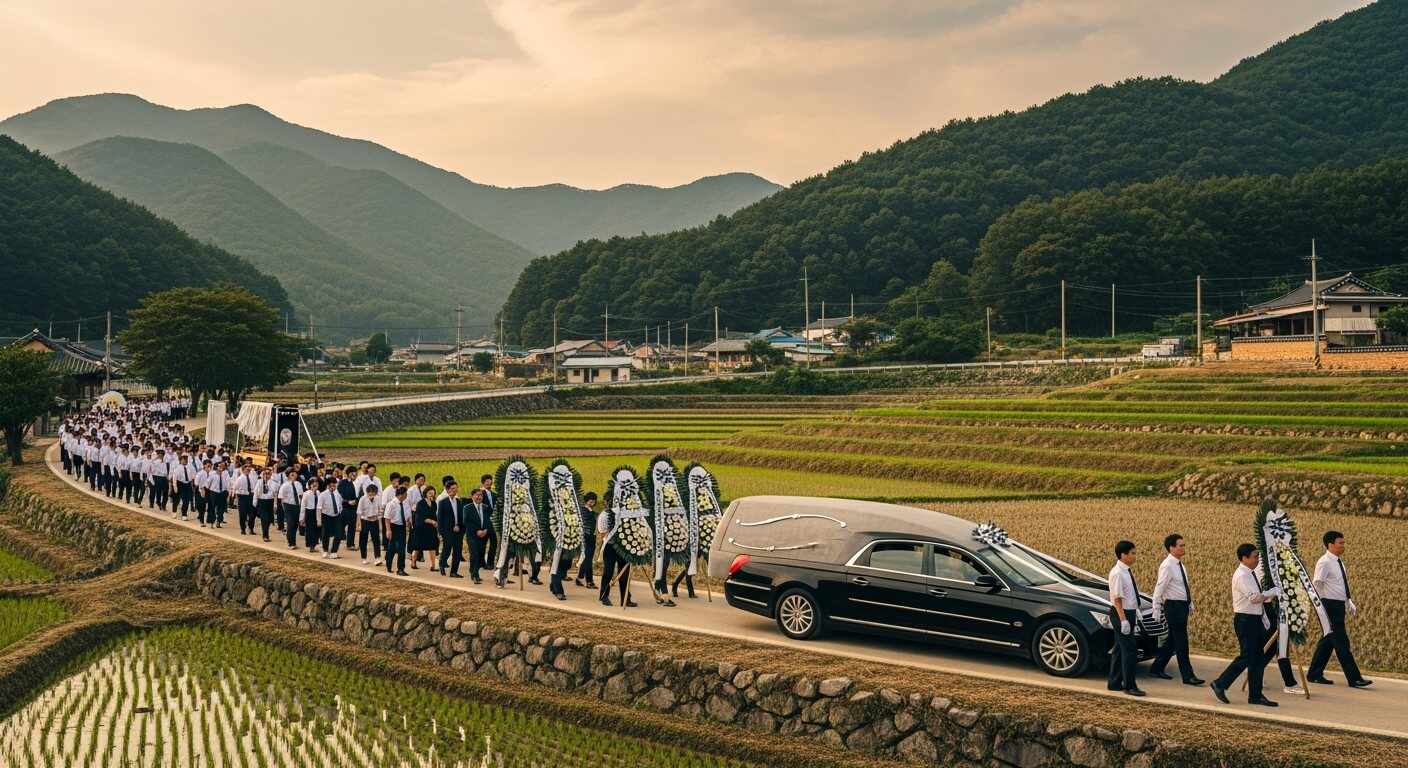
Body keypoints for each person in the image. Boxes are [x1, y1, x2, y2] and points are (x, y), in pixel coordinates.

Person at [1211, 544, 1281, 707]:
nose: (1257, 560)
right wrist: (1272, 592)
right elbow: (1254, 597)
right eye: (1255, 556)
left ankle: (1255, 695)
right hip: (1245, 620)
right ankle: (1220, 683)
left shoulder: (1250, 574)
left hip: (1254, 619)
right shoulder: (1242, 575)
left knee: (1257, 658)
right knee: (1247, 656)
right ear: (1244, 558)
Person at [1307, 530, 1371, 688]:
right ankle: (1354, 678)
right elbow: (1317, 584)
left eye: (1343, 543)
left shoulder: (1338, 562)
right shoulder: (1325, 562)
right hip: (1329, 605)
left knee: (1328, 640)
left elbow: (1341, 584)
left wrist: (1348, 600)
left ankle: (1314, 673)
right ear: (1330, 545)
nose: (1343, 546)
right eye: (1340, 543)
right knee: (1342, 642)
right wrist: (1322, 605)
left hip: (1338, 605)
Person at [1149, 533, 1203, 686]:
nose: (1183, 547)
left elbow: (1182, 586)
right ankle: (1188, 675)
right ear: (1171, 548)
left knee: (1173, 640)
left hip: (1181, 605)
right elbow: (1160, 587)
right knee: (1182, 641)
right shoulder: (1167, 565)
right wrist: (1156, 607)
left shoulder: (1180, 564)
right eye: (1181, 545)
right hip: (1173, 607)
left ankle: (1156, 668)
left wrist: (1189, 602)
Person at [1107, 540, 1145, 696]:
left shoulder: (1126, 570)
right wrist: (1123, 620)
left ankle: (1114, 682)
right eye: (1132, 553)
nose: (1135, 556)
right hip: (1121, 613)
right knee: (1130, 651)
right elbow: (1117, 599)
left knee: (1119, 650)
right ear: (1123, 555)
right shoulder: (1117, 573)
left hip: (1128, 612)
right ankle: (1129, 685)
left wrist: (1135, 610)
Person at [598, 503, 635, 608]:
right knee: (608, 573)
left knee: (624, 575)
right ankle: (604, 596)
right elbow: (602, 532)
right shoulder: (605, 515)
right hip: (610, 546)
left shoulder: (627, 513)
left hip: (624, 547)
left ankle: (625, 598)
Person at [437, 481, 466, 578]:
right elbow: (440, 519)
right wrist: (440, 532)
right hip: (447, 531)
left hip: (458, 531)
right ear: (448, 490)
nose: (454, 490)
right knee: (447, 549)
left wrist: (460, 528)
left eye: (456, 488)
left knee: (458, 551)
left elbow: (461, 516)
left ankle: (454, 571)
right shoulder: (443, 502)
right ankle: (442, 563)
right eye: (452, 488)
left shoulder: (459, 502)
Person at [465, 487, 491, 584]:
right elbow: (466, 522)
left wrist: (485, 530)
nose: (479, 497)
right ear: (472, 497)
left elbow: (488, 520)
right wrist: (477, 531)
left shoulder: (486, 507)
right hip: (472, 536)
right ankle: (474, 574)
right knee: (474, 554)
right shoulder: (467, 508)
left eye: (480, 495)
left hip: (483, 536)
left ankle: (474, 571)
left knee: (480, 555)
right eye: (477, 495)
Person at [382, 485, 410, 576]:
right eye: (405, 494)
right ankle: (388, 564)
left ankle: (401, 569)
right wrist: (388, 530)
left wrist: (407, 526)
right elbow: (387, 518)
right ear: (401, 495)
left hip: (402, 526)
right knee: (392, 548)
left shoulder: (405, 503)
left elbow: (407, 515)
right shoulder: (391, 504)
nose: (406, 496)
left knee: (402, 549)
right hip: (393, 526)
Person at [574, 492, 599, 589]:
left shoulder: (592, 512)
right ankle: (589, 581)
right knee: (588, 559)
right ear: (586, 501)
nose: (592, 503)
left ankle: (580, 578)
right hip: (585, 537)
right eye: (591, 501)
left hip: (592, 537)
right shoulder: (583, 511)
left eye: (594, 501)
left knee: (588, 558)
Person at [411, 486, 439, 571]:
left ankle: (434, 565)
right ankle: (413, 562)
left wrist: (436, 523)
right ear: (425, 494)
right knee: (417, 547)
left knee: (433, 546)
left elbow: (435, 515)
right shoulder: (420, 503)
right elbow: (422, 517)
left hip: (431, 529)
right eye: (430, 493)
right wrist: (432, 522)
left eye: (433, 493)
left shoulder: (434, 504)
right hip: (421, 528)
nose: (432, 495)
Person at [356, 484, 383, 565]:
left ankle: (377, 557)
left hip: (374, 521)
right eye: (369, 494)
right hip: (365, 520)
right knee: (363, 539)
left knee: (376, 540)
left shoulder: (378, 499)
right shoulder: (363, 499)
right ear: (367, 493)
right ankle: (364, 557)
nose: (371, 496)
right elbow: (359, 512)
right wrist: (358, 524)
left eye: (373, 494)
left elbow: (380, 510)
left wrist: (378, 516)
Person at [279, 469, 305, 550]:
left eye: (295, 474)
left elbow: (301, 495)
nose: (295, 475)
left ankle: (293, 541)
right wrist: (284, 509)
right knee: (290, 524)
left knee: (295, 525)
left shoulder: (298, 484)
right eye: (293, 474)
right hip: (288, 506)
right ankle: (290, 543)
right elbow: (282, 498)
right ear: (289, 475)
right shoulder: (285, 485)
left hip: (297, 506)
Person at [318, 478, 343, 558]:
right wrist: (319, 520)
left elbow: (340, 504)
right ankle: (325, 550)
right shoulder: (322, 495)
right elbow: (319, 508)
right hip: (326, 516)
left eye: (334, 486)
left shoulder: (337, 494)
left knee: (338, 534)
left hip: (336, 516)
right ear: (327, 486)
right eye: (331, 486)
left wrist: (340, 511)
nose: (333, 487)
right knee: (325, 534)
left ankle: (334, 551)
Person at [255, 467, 278, 542]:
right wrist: (255, 501)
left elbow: (275, 494)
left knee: (269, 519)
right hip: (262, 501)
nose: (267, 475)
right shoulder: (259, 482)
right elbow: (256, 492)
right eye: (265, 474)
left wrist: (275, 504)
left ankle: (266, 531)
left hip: (270, 501)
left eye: (269, 474)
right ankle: (265, 535)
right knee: (264, 519)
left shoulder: (273, 483)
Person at [233, 463, 256, 535]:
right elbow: (236, 488)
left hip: (251, 496)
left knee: (252, 514)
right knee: (243, 514)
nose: (248, 469)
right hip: (242, 497)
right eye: (246, 468)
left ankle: (251, 528)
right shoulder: (240, 479)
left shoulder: (253, 478)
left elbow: (255, 487)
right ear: (243, 470)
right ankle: (243, 529)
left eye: (249, 467)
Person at [301, 478, 323, 553]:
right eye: (314, 484)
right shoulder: (306, 493)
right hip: (309, 511)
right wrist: (302, 518)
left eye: (317, 483)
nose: (315, 485)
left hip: (316, 511)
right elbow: (303, 506)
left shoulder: (318, 493)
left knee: (317, 529)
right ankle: (310, 545)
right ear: (310, 485)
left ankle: (315, 543)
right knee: (310, 529)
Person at [172, 454, 196, 520]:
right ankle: (174, 511)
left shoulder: (190, 467)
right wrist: (175, 486)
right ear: (180, 461)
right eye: (183, 460)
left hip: (187, 484)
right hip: (180, 484)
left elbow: (194, 475)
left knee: (186, 500)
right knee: (177, 499)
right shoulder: (178, 468)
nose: (185, 461)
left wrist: (194, 483)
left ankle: (184, 514)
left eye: (186, 460)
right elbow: (174, 478)